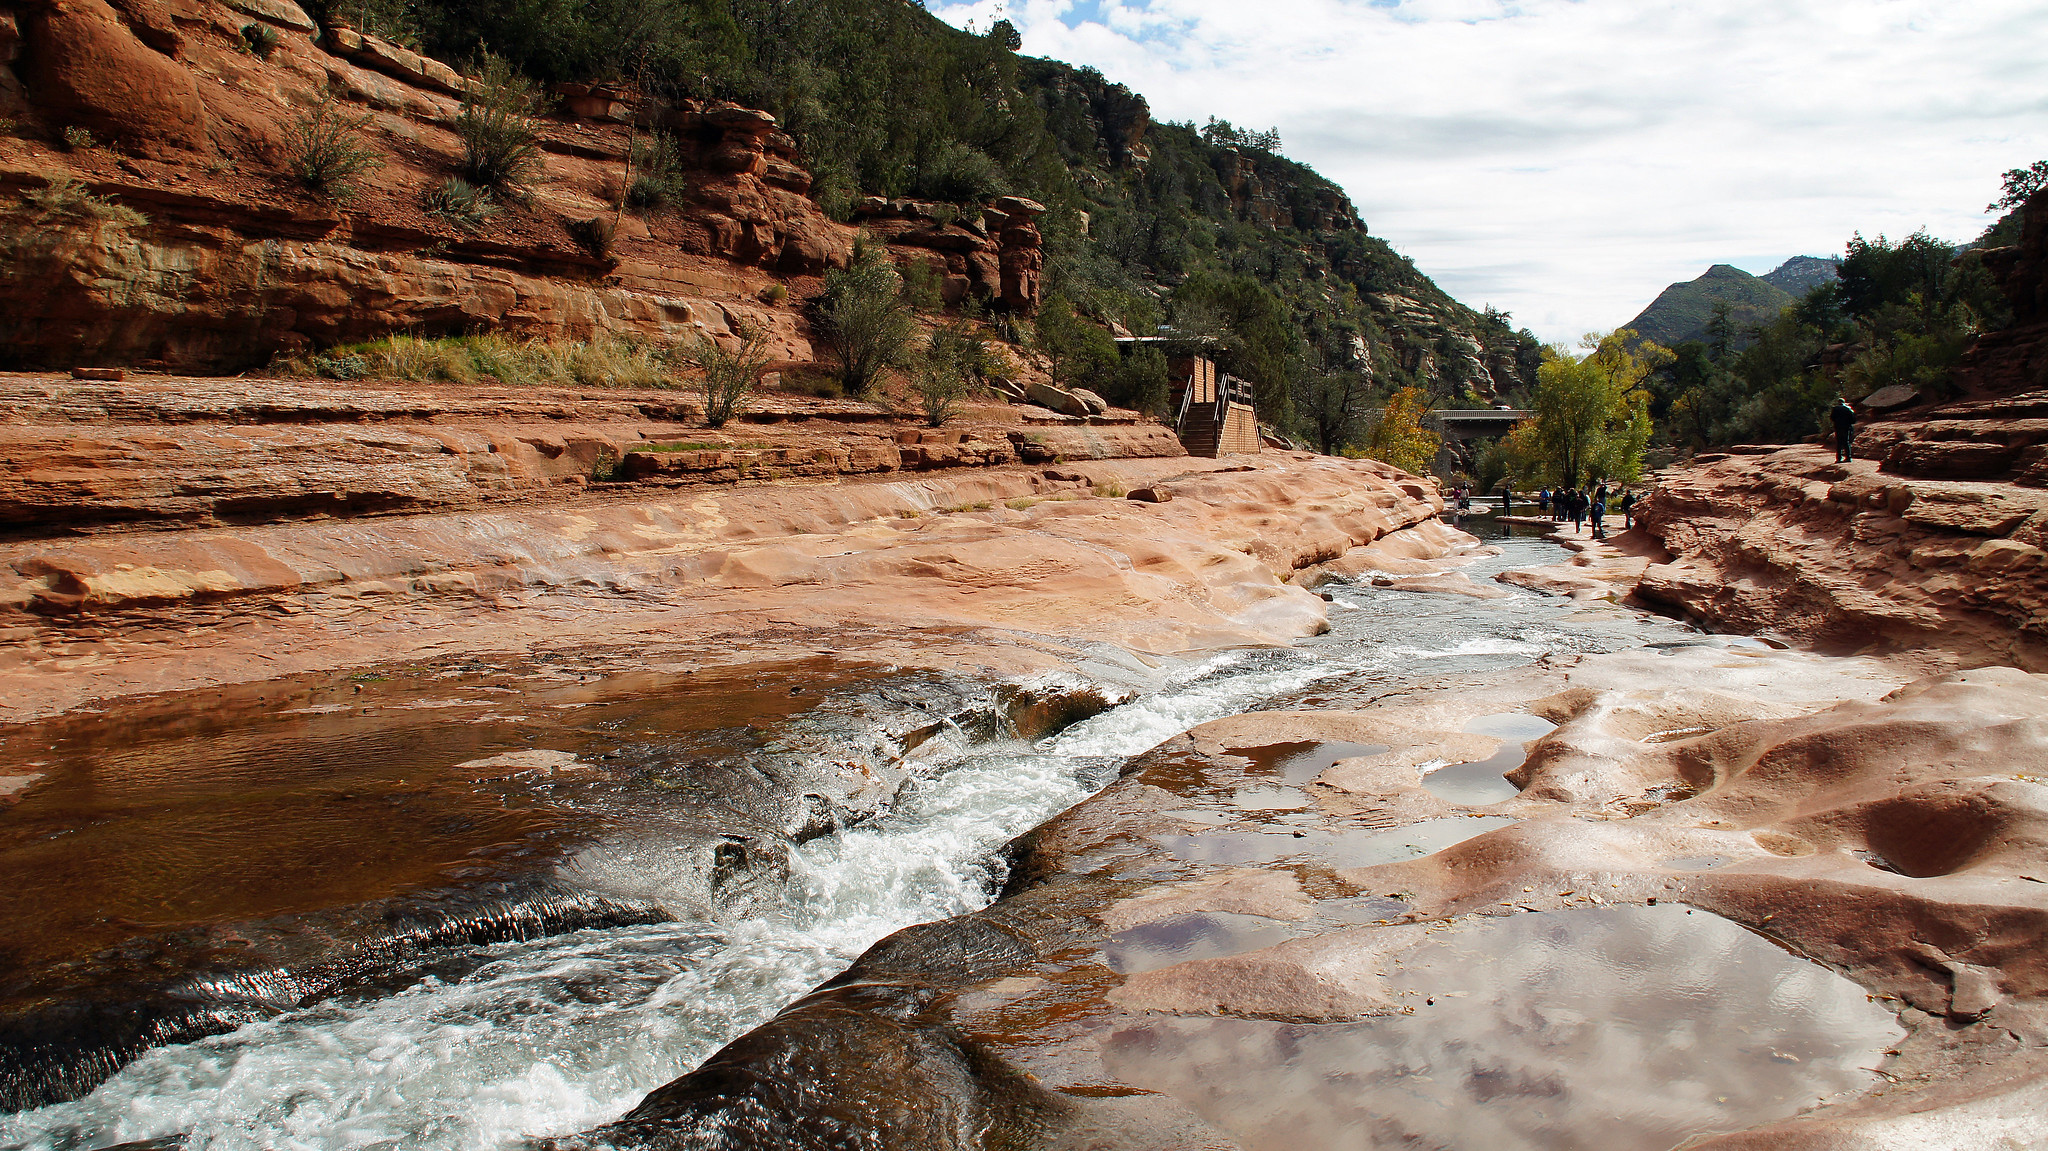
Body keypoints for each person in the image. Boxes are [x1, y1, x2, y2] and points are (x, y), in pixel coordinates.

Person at [1831, 396, 1857, 463]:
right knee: (1846, 442)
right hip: (1847, 427)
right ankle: (1848, 457)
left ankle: (1839, 458)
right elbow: (1853, 419)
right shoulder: (1848, 409)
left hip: (1838, 427)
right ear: (1844, 402)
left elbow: (1832, 418)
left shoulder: (1835, 409)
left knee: (1839, 443)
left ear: (1838, 402)